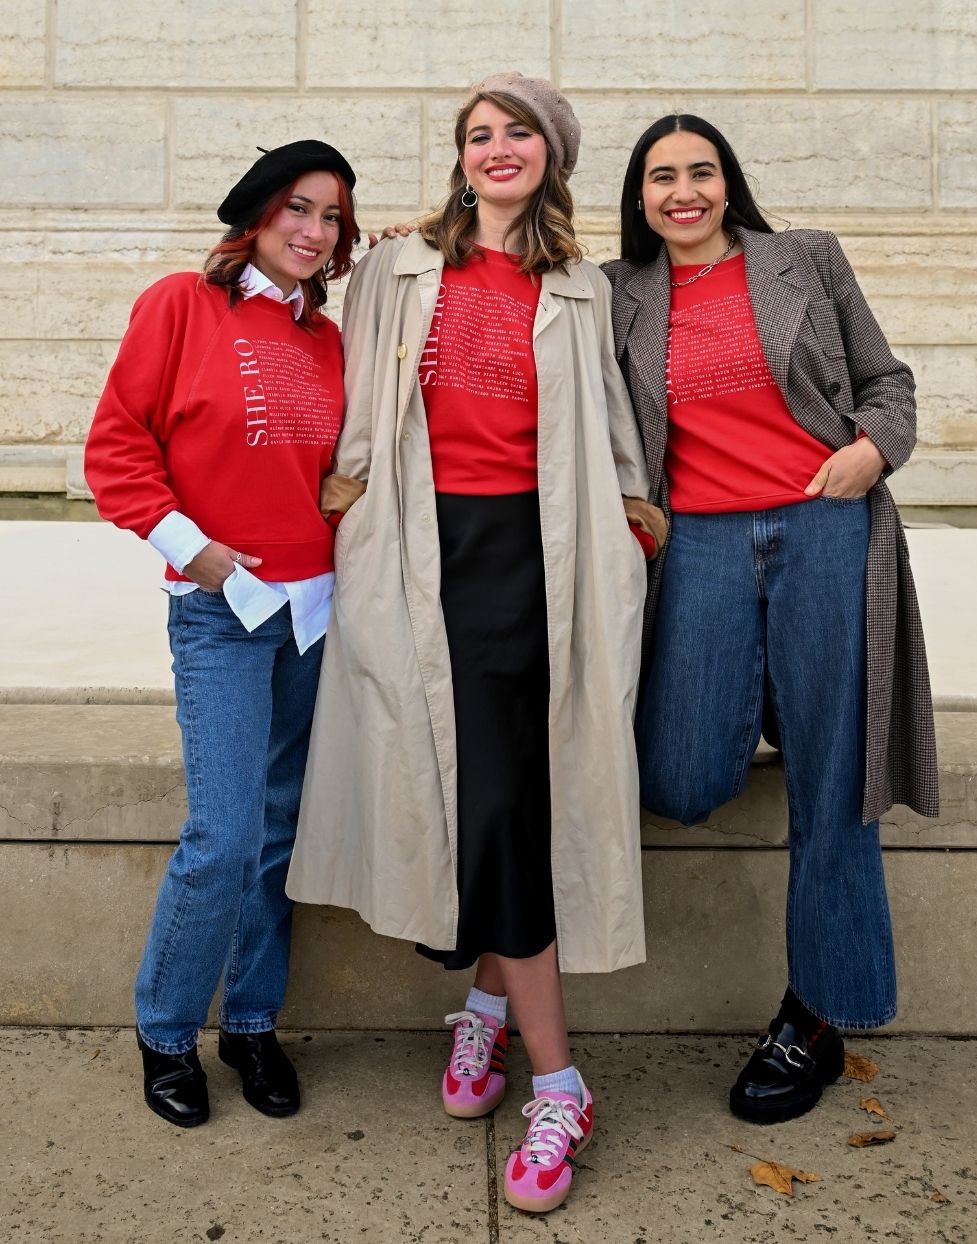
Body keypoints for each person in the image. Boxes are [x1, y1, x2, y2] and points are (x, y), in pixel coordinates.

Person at [287, 74, 665, 1212]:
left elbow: (608, 426)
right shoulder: (396, 268)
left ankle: (555, 1078)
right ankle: (492, 1017)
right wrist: (340, 514)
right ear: (458, 157)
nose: (496, 148)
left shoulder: (581, 287)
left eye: (519, 134)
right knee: (477, 795)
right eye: (477, 134)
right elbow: (349, 404)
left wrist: (633, 525)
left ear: (552, 157)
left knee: (506, 798)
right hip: (418, 553)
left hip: (538, 560)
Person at [602, 114, 939, 1125]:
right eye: (661, 177)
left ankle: (817, 1014)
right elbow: (501, 284)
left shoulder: (803, 259)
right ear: (640, 196)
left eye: (699, 172)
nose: (682, 193)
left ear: (725, 181)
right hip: (698, 544)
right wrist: (411, 244)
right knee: (679, 770)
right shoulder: (618, 292)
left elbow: (886, 382)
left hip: (821, 528)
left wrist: (871, 451)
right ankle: (766, 690)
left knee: (832, 778)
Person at [83, 140, 358, 1128]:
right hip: (222, 613)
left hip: (315, 615)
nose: (313, 230)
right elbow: (115, 449)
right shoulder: (179, 305)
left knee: (282, 830)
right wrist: (193, 550)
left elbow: (339, 471)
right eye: (297, 207)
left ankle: (249, 1022)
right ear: (254, 213)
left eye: (331, 217)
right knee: (225, 832)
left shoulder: (330, 340)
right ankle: (165, 1029)